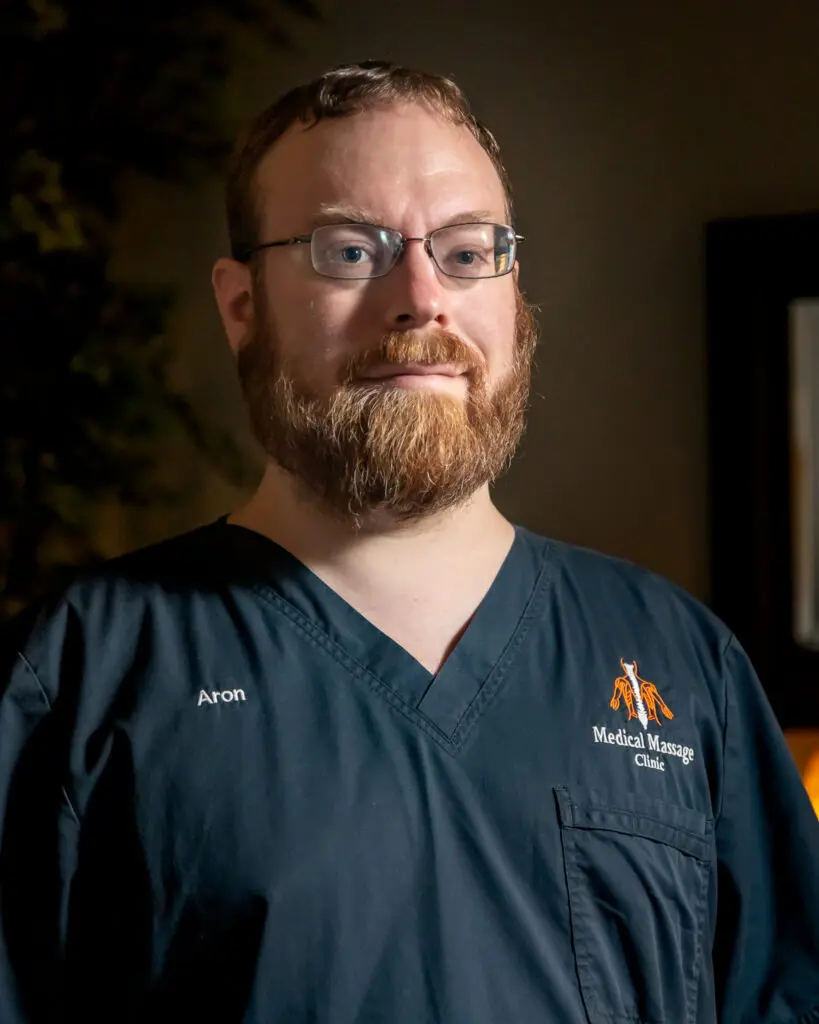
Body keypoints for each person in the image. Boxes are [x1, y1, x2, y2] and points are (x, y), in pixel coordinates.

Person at [1, 60, 818, 1024]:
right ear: (240, 304)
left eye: (468, 253)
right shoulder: (87, 674)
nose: (420, 297)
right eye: (350, 251)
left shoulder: (681, 664)